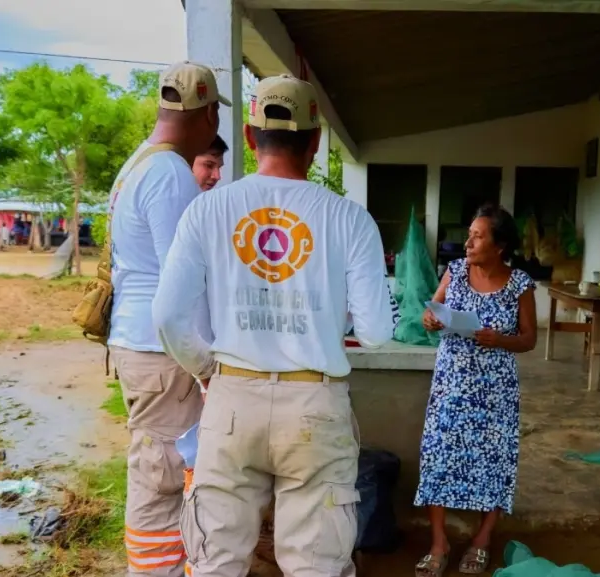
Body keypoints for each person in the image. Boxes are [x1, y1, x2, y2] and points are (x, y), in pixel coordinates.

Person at [152, 74, 393, 577]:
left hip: (232, 398)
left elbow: (168, 317)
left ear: (247, 136)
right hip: (315, 406)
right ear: (315, 141)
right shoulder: (350, 219)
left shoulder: (207, 209)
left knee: (217, 562)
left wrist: (206, 369)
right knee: (317, 567)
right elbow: (375, 332)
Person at [107, 60, 227, 577]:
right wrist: (204, 364)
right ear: (208, 114)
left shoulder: (138, 163)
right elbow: (181, 290)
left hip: (138, 346)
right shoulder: (170, 173)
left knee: (156, 471)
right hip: (162, 353)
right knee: (167, 481)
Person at [414, 204, 538, 577]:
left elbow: (530, 339)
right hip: (451, 386)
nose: (467, 242)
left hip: (495, 391)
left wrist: (500, 339)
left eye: (477, 236)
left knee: (495, 461)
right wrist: (432, 319)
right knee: (437, 457)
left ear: (500, 246)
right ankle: (439, 543)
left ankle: (483, 540)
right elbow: (430, 312)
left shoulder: (520, 284)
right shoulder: (454, 272)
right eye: (469, 234)